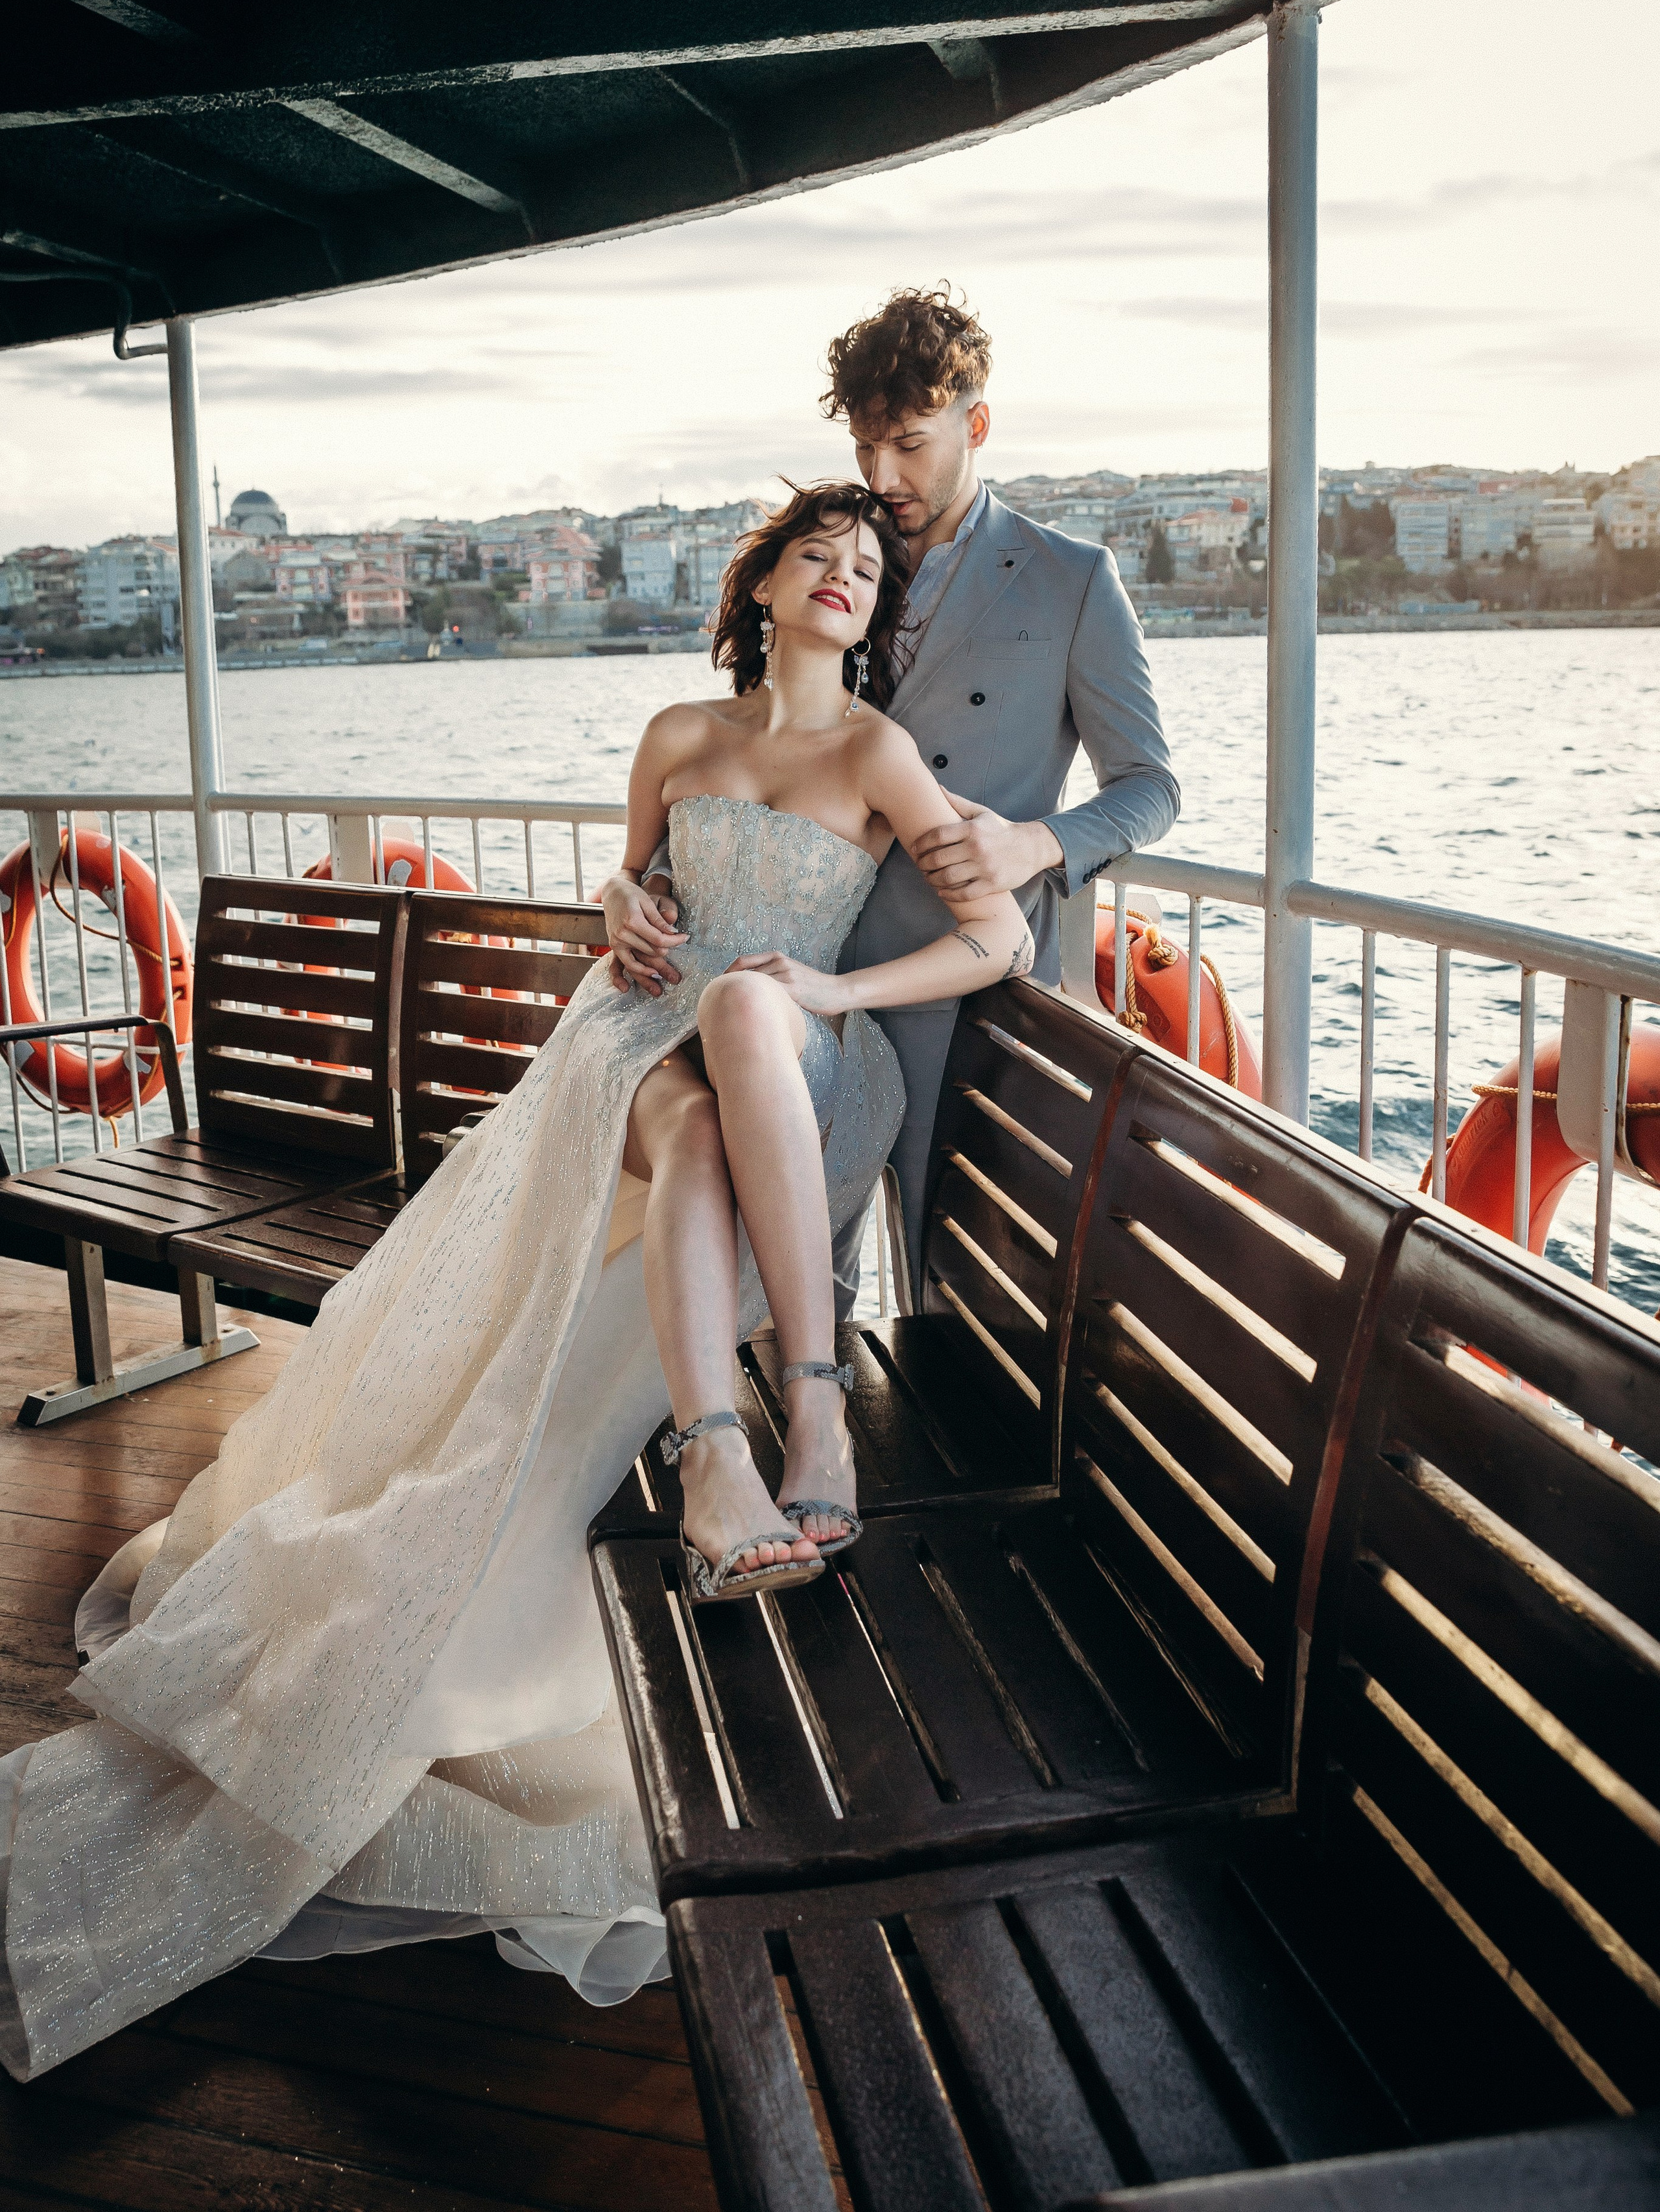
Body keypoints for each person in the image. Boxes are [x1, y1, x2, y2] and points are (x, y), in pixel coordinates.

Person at [0, 481, 1033, 2083]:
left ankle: (760, 1441)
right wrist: (620, 909)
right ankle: (733, 1457)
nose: (843, 574)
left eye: (867, 566)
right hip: (635, 1054)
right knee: (688, 1087)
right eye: (813, 554)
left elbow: (995, 943)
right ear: (758, 581)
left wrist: (830, 978)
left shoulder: (876, 755)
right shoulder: (681, 733)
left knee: (747, 1031)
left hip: (803, 1065)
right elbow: (618, 908)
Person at [608, 287, 1181, 1306]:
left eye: (910, 444)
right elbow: (754, 775)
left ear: (977, 423)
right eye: (867, 446)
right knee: (782, 1291)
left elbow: (1150, 788)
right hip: (791, 987)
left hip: (958, 992)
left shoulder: (1073, 580)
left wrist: (1037, 845)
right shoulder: (841, 563)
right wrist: (629, 886)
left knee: (947, 1294)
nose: (885, 476)